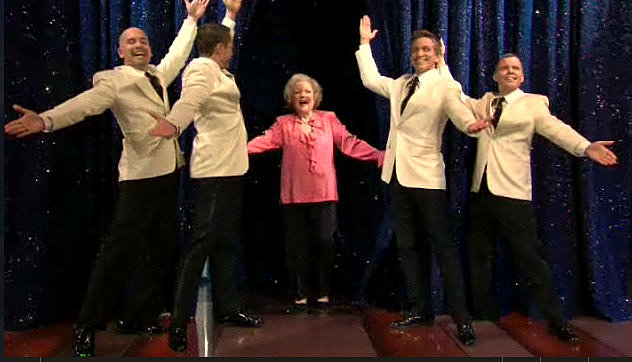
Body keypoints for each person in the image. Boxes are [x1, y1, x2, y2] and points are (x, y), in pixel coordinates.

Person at [4, 0, 209, 357]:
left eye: (143, 40)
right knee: (118, 252)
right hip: (139, 179)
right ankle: (87, 324)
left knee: (159, 249)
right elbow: (85, 103)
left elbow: (177, 55)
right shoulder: (113, 81)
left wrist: (191, 21)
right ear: (120, 50)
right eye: (131, 41)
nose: (139, 44)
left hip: (166, 174)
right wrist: (46, 120)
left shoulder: (157, 76)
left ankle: (138, 315)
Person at [464, 53, 618, 344]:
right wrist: (441, 62)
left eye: (516, 69)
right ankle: (482, 313)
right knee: (478, 255)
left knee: (531, 259)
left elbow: (557, 130)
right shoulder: (484, 101)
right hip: (481, 191)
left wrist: (585, 147)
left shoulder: (533, 104)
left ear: (522, 77)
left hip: (513, 193)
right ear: (495, 75)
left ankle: (557, 321)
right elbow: (455, 97)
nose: (510, 72)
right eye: (504, 68)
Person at [355, 15, 488, 346]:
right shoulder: (401, 83)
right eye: (416, 49)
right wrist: (364, 44)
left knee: (442, 247)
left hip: (427, 176)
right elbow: (371, 79)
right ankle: (419, 308)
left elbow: (458, 113)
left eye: (427, 49)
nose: (420, 53)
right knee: (408, 245)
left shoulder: (446, 85)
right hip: (397, 175)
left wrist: (470, 126)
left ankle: (462, 319)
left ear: (437, 54)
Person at [148, 0, 263, 352]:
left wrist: (230, 14)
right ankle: (180, 323)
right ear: (220, 50)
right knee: (201, 243)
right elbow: (192, 99)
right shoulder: (201, 68)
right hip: (213, 169)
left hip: (232, 167)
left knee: (226, 241)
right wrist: (174, 123)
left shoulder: (219, 69)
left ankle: (228, 309)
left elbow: (222, 41)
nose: (233, 49)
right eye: (229, 46)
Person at [246, 73, 384, 312]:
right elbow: (264, 141)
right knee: (296, 245)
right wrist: (236, 151)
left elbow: (350, 143)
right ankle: (299, 292)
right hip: (293, 194)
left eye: (307, 91)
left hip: (324, 193)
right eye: (298, 91)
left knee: (324, 243)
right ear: (291, 97)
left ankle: (322, 290)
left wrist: (379, 155)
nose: (303, 95)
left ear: (315, 96)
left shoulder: (329, 119)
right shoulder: (283, 123)